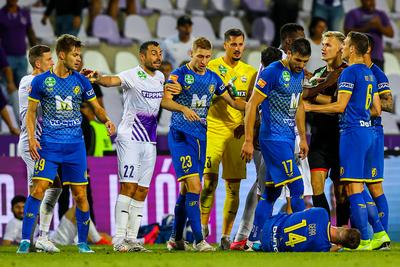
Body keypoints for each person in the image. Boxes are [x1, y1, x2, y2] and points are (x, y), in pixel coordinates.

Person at [16, 34, 116, 254]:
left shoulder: (80, 80)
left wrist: (107, 119)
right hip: (49, 145)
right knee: (39, 189)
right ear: (62, 55)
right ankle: (26, 241)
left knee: (80, 194)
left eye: (79, 54)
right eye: (74, 54)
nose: (78, 58)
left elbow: (95, 107)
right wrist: (32, 138)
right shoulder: (40, 81)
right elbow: (31, 114)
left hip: (75, 147)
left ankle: (82, 243)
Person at [87, 41, 176, 252]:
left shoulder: (161, 78)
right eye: (153, 53)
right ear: (142, 57)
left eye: (160, 53)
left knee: (142, 190)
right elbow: (111, 81)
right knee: (128, 186)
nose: (158, 57)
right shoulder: (132, 74)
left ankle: (132, 238)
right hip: (130, 138)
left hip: (149, 141)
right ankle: (119, 238)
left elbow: (162, 102)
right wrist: (98, 77)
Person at [303, 31, 389, 250]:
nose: (340, 49)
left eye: (342, 45)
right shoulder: (370, 73)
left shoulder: (349, 72)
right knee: (358, 187)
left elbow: (340, 106)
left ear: (350, 48)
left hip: (349, 134)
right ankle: (378, 233)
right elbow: (377, 109)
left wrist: (312, 105)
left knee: (352, 190)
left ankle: (367, 237)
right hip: (364, 133)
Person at [161, 37, 246, 252]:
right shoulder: (179, 75)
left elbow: (233, 101)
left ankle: (175, 239)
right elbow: (165, 100)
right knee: (196, 187)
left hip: (201, 138)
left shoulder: (214, 78)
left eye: (208, 57)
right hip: (181, 136)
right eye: (200, 56)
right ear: (191, 53)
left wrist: (255, 104)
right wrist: (183, 109)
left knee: (185, 190)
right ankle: (199, 240)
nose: (204, 61)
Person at [241, 38, 312, 250]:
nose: (301, 65)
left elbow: (298, 106)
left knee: (271, 193)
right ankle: (303, 237)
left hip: (288, 138)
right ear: (288, 53)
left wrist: (303, 137)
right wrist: (247, 140)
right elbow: (252, 105)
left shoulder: (299, 74)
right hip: (272, 138)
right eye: (298, 60)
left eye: (305, 61)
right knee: (297, 187)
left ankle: (254, 239)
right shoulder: (272, 72)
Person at [199, 28, 257, 250]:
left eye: (241, 44)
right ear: (225, 45)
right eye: (233, 44)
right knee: (209, 183)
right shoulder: (211, 66)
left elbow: (253, 105)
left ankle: (225, 236)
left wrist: (246, 126)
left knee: (233, 187)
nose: (237, 48)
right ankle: (203, 232)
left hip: (237, 132)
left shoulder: (250, 72)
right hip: (213, 129)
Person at [230, 47, 283, 250]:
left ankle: (244, 235)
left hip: (264, 139)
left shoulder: (260, 76)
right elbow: (254, 106)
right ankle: (257, 237)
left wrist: (245, 128)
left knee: (261, 188)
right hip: (273, 140)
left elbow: (252, 105)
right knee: (272, 190)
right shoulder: (279, 77)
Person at [18, 44, 65, 253]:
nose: (53, 63)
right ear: (38, 63)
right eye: (49, 60)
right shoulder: (30, 81)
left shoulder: (38, 81)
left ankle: (31, 240)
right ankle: (39, 238)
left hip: (39, 143)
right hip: (32, 143)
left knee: (40, 189)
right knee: (49, 186)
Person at [302, 31, 350, 226]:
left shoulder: (347, 73)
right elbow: (304, 95)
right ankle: (327, 232)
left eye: (328, 45)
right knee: (316, 186)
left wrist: (315, 98)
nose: (323, 48)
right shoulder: (320, 73)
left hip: (340, 138)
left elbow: (341, 104)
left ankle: (341, 231)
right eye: (322, 44)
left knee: (341, 192)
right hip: (319, 138)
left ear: (341, 48)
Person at [364, 34, 393, 238]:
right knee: (352, 183)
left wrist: (362, 104)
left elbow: (389, 104)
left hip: (372, 132)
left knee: (374, 186)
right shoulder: (349, 72)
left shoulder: (377, 74)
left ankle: (381, 235)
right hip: (353, 133)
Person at [259, 207, 360, 252]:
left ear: (345, 227)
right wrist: (338, 247)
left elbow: (303, 212)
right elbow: (331, 249)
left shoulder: (322, 213)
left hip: (269, 224)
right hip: (269, 246)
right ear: (340, 245)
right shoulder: (323, 248)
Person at [0, 0, 37, 118]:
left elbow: (30, 32)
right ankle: (11, 121)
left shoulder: (24, 13)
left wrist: (36, 51)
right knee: (9, 90)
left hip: (21, 57)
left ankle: (25, 119)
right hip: (6, 59)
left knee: (23, 90)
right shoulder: (1, 14)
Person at [344, 0, 393, 70]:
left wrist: (379, 26)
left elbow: (391, 33)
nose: (369, 3)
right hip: (358, 57)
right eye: (366, 0)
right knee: (358, 80)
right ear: (361, 1)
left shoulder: (381, 14)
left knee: (377, 80)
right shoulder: (353, 14)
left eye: (371, 0)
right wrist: (367, 27)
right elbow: (347, 33)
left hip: (377, 58)